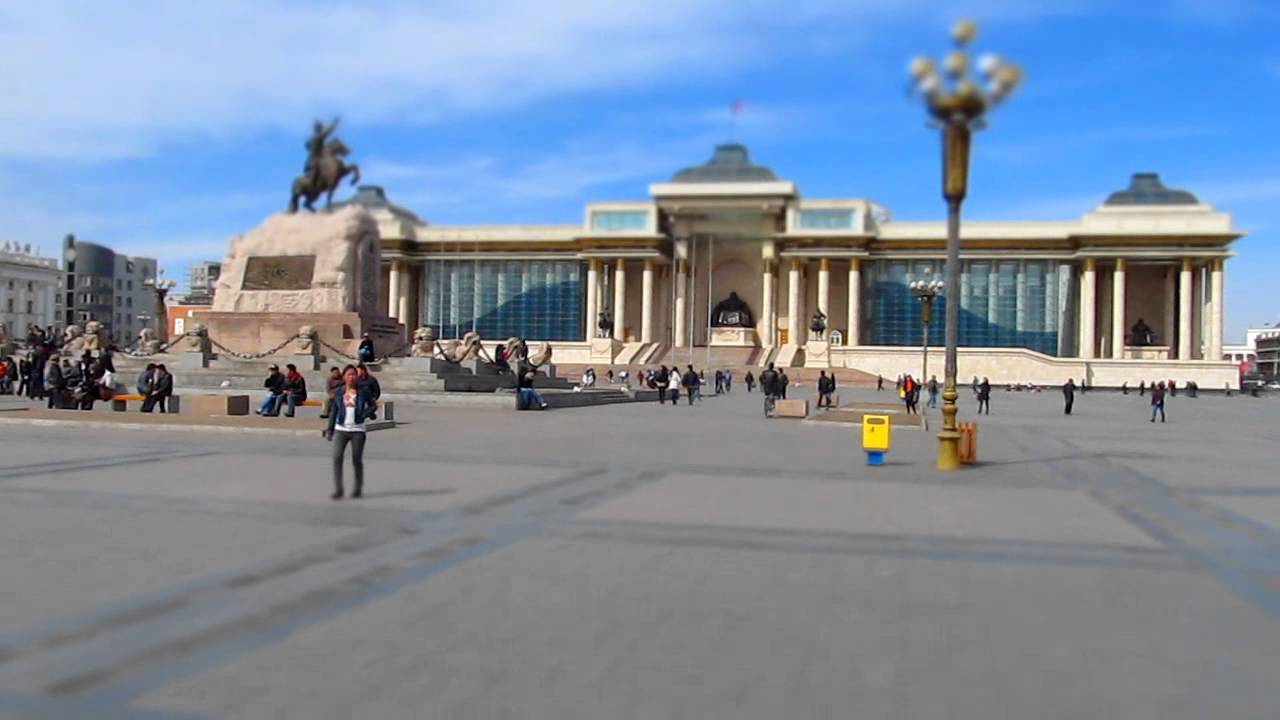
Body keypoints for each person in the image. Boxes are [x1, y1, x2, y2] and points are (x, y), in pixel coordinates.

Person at [324, 365, 375, 500]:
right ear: (344, 377)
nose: (351, 377)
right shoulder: (339, 392)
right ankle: (338, 489)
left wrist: (364, 414)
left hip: (357, 430)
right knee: (337, 457)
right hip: (341, 429)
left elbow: (373, 406)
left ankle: (357, 488)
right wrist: (330, 429)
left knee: (356, 460)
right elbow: (334, 411)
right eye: (349, 375)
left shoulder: (363, 391)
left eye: (354, 374)